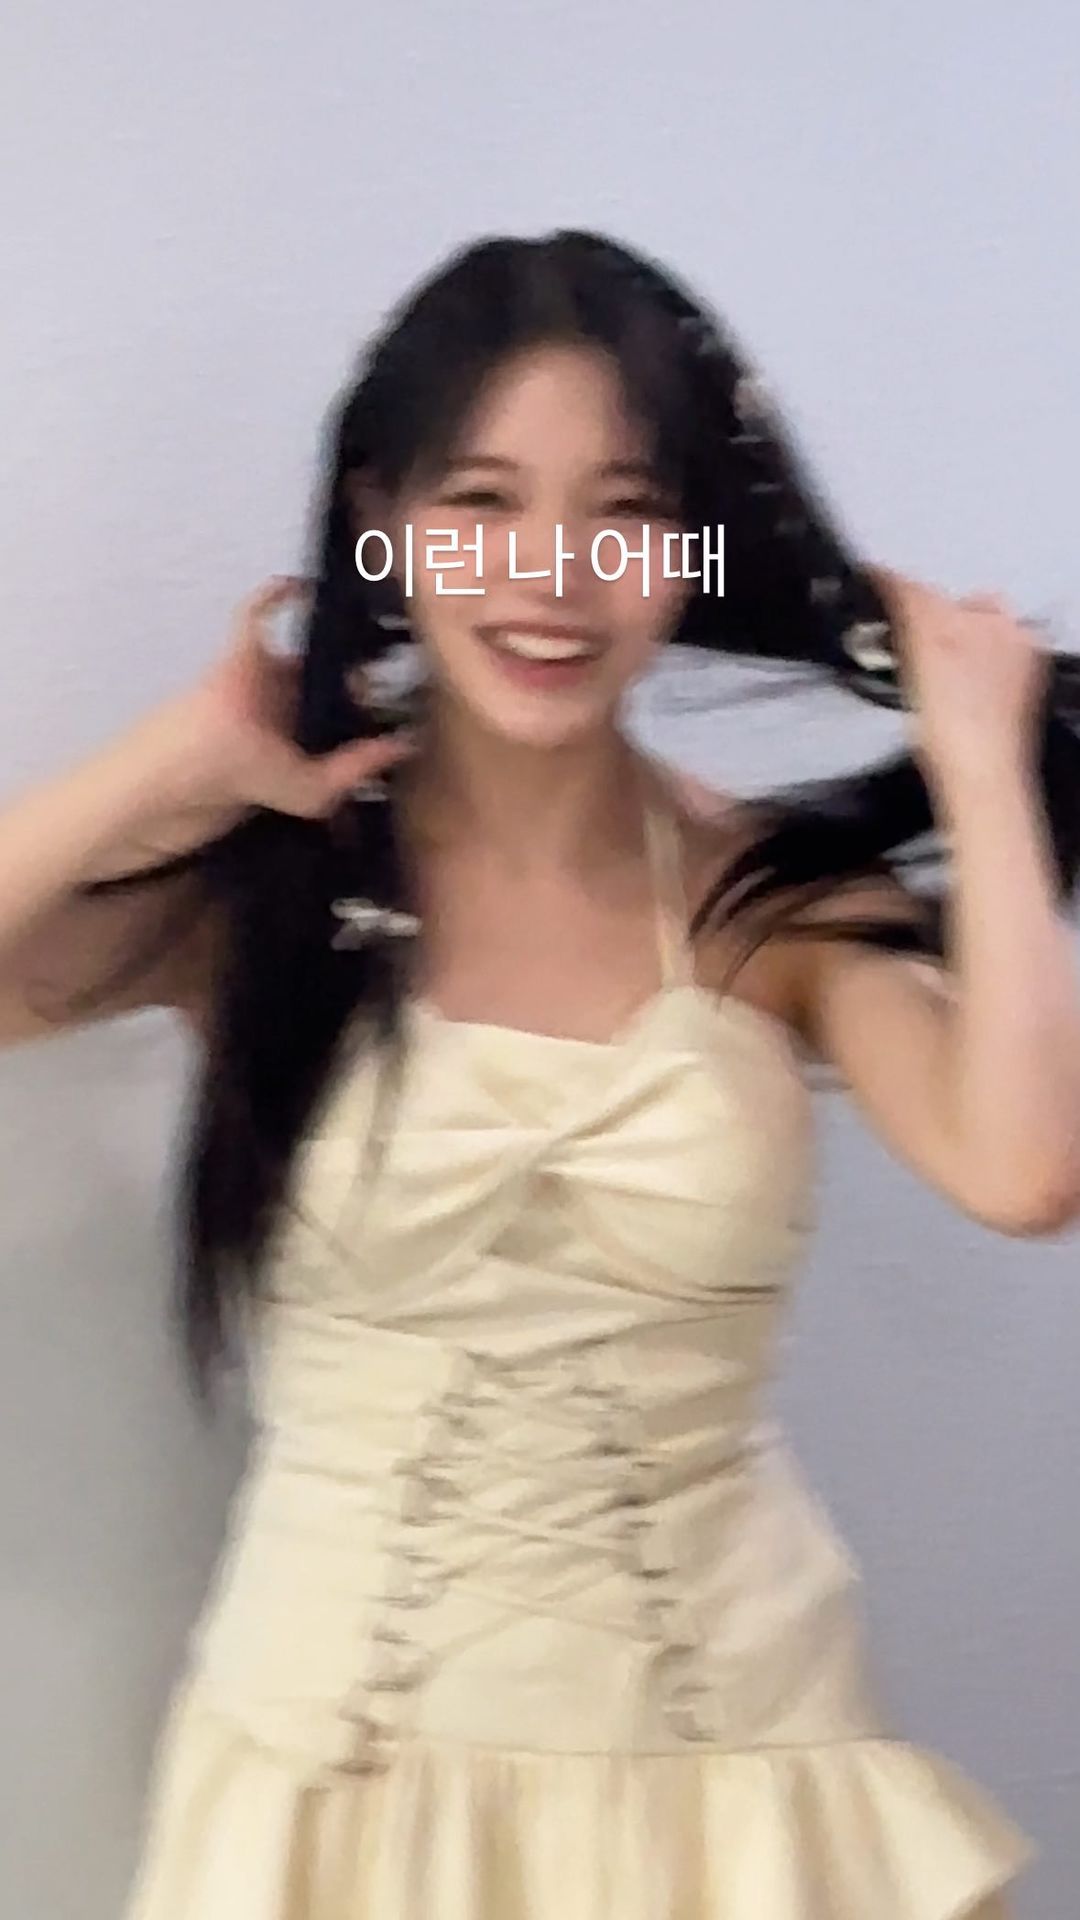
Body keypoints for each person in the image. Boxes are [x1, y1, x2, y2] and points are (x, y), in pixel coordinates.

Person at [3, 228, 1079, 1919]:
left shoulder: (774, 903)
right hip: (332, 1807)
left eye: (624, 512)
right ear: (382, 521)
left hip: (737, 1802)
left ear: (692, 547)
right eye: (483, 501)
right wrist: (179, 758)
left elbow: (1024, 1170)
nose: (551, 575)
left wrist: (981, 763)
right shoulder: (273, 889)